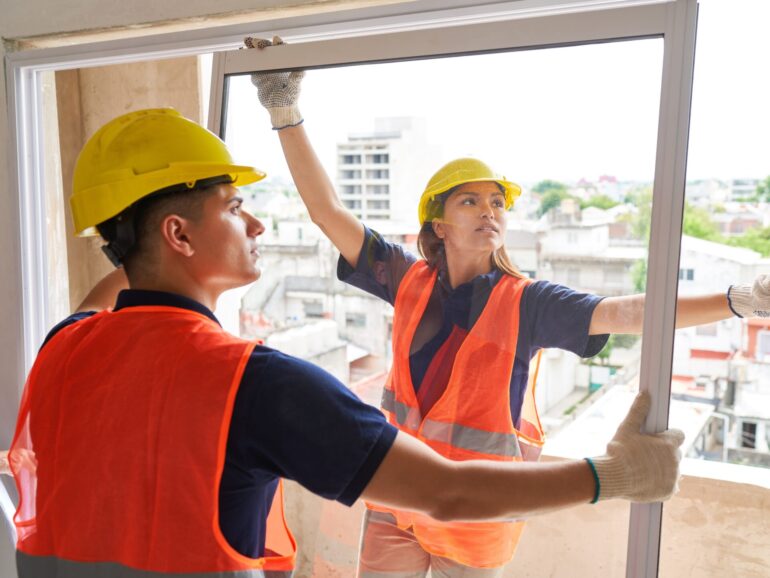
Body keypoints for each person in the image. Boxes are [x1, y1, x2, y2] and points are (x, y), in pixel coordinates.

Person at [6, 107, 685, 578]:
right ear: (179, 235)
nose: (259, 225)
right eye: (235, 207)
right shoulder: (254, 383)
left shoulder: (65, 346)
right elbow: (445, 491)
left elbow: (109, 292)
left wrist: (137, 238)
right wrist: (617, 476)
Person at [246, 36, 770, 577]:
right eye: (469, 200)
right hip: (397, 496)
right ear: (439, 225)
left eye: (497, 201)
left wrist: (741, 301)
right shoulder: (406, 278)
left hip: (477, 514)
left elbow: (628, 313)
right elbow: (327, 212)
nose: (489, 211)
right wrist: (284, 108)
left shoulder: (528, 302)